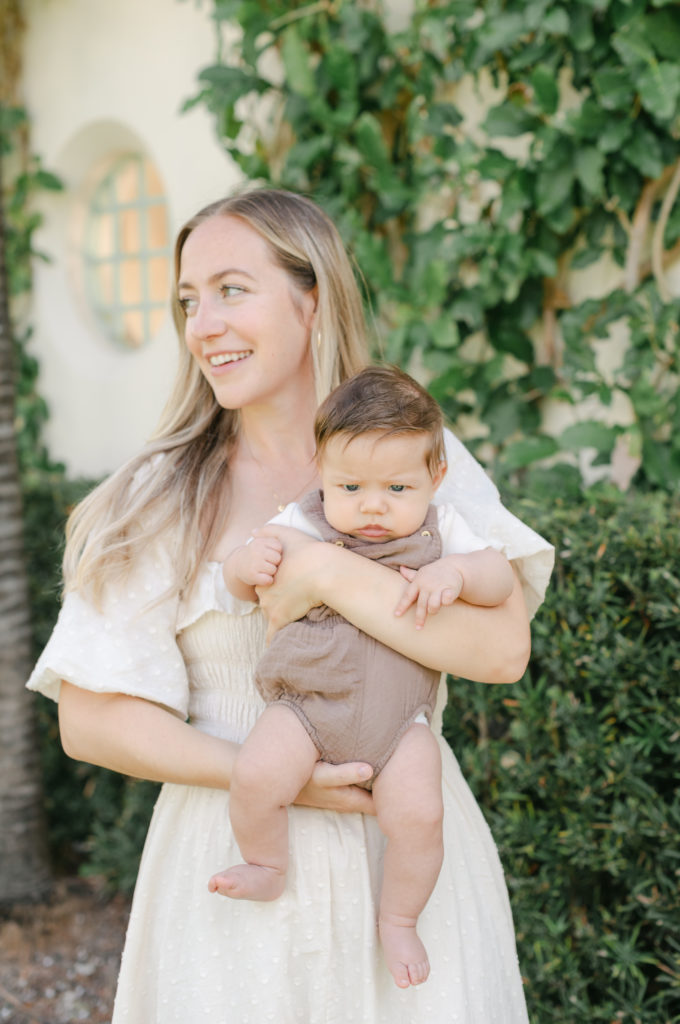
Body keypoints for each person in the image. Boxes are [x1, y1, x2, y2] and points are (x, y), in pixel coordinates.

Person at [27, 187, 554, 1024]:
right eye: (189, 301)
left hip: (406, 853)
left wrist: (330, 577)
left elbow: (502, 652)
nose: (202, 324)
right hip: (234, 861)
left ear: (312, 300)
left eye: (232, 289)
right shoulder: (158, 493)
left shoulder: (415, 454)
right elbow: (89, 720)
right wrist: (271, 778)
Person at [211, 364, 516, 989]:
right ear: (320, 471)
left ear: (436, 477)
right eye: (350, 486)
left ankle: (399, 917)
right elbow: (235, 587)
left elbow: (501, 575)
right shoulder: (303, 522)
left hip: (399, 724)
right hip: (305, 706)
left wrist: (455, 576)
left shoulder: (444, 533)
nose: (372, 506)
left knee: (420, 815)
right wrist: (247, 562)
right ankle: (267, 862)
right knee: (256, 773)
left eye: (397, 490)